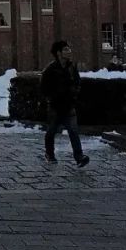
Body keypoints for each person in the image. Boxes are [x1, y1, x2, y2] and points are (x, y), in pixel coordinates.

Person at [41, 38, 90, 167]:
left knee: (73, 131)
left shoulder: (72, 67)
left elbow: (77, 82)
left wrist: (74, 94)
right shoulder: (50, 70)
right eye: (66, 49)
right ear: (58, 53)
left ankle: (79, 157)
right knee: (51, 131)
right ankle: (49, 154)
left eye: (69, 49)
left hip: (69, 106)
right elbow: (44, 87)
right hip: (55, 107)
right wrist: (52, 98)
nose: (69, 52)